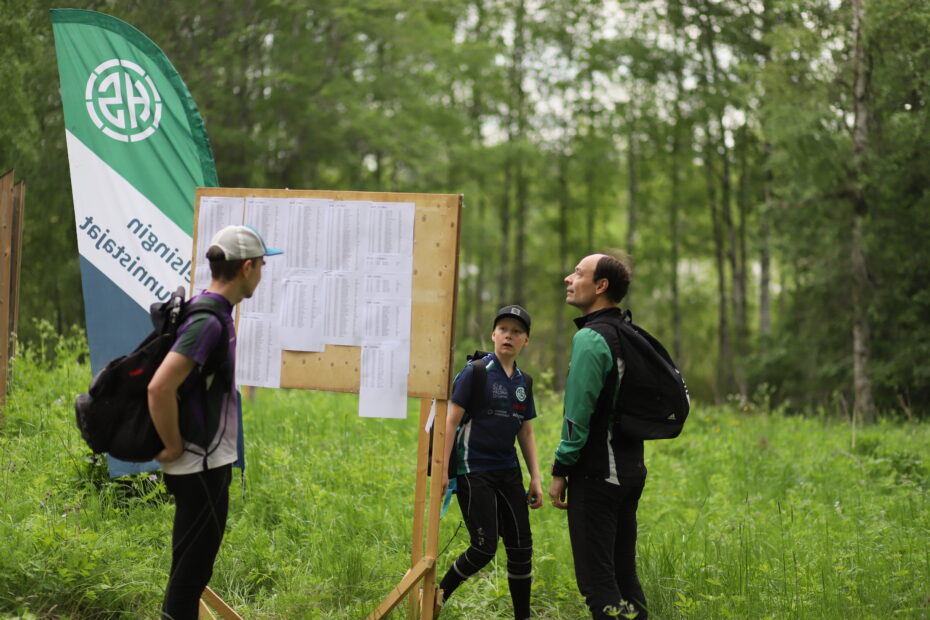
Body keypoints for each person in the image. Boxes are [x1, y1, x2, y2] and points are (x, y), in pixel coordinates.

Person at [148, 225, 282, 620]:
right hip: (200, 465)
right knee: (190, 578)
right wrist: (172, 445)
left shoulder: (213, 312)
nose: (262, 273)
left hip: (203, 462)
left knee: (188, 573)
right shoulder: (208, 322)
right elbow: (159, 387)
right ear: (246, 268)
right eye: (262, 265)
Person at [548, 252, 649, 620]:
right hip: (629, 471)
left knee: (598, 585)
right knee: (623, 576)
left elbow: (577, 417)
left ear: (601, 285)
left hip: (597, 475)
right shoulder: (627, 332)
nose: (569, 278)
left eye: (578, 273)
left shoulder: (591, 338)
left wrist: (561, 469)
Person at [437, 305, 543, 620]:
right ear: (493, 335)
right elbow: (450, 421)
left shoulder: (524, 382)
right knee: (484, 548)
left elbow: (526, 431)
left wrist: (535, 477)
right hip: (474, 470)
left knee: (521, 547)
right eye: (503, 329)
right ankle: (438, 595)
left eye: (517, 331)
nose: (509, 336)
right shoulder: (476, 373)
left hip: (508, 471)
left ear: (526, 341)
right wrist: (442, 469)